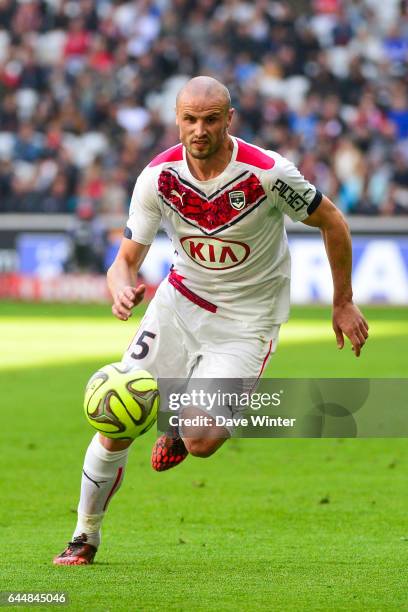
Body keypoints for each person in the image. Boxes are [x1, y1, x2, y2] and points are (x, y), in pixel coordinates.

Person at [54, 76, 369, 565]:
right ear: (177, 120)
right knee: (115, 418)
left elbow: (332, 220)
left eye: (210, 119)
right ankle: (84, 535)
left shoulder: (267, 173)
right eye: (189, 119)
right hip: (178, 304)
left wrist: (343, 301)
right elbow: (125, 260)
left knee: (200, 442)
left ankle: (178, 427)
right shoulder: (157, 177)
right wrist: (120, 287)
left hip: (248, 320)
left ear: (229, 119)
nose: (199, 130)